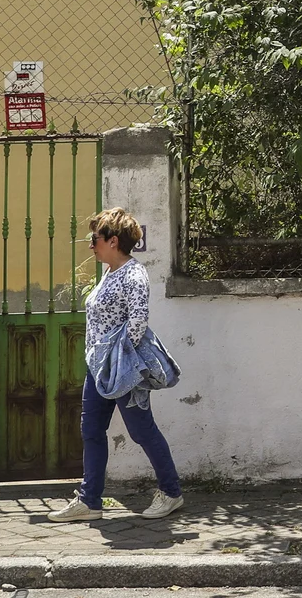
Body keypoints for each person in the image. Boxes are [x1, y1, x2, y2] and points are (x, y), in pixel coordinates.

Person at [49, 207, 185, 521]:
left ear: (112, 240)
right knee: (91, 430)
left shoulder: (134, 274)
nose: (90, 245)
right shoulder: (111, 272)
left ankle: (171, 492)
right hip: (98, 368)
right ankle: (90, 501)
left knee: (142, 431)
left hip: (122, 370)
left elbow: (138, 323)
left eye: (94, 239)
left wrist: (117, 360)